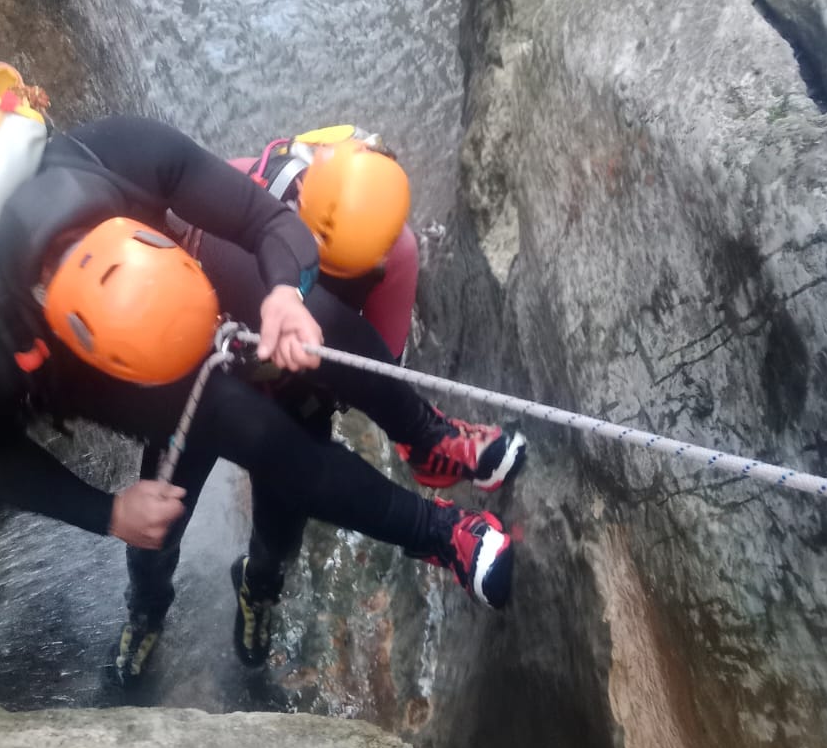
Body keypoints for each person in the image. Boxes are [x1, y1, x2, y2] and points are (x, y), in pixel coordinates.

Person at [0, 116, 522, 689]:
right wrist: (107, 513)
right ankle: (146, 611)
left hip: (174, 279)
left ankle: (425, 486)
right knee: (175, 508)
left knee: (311, 344)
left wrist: (286, 293)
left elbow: (266, 220)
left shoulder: (126, 155)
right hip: (134, 374)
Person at [124, 131, 527, 676]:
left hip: (295, 397)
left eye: (337, 279)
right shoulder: (238, 189)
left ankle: (257, 591)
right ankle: (146, 610)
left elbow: (371, 373)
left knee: (279, 534)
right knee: (154, 528)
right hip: (200, 376)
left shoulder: (395, 255)